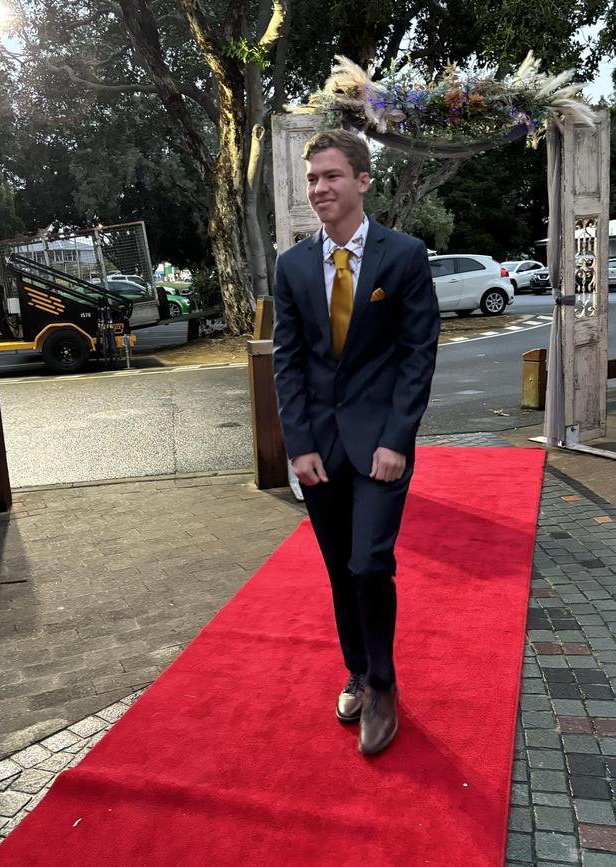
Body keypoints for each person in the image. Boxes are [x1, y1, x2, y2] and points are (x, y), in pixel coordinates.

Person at [272, 129, 440, 755]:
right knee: (340, 570)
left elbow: (417, 356)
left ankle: (384, 686)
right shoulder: (291, 266)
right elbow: (288, 363)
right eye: (313, 178)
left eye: (331, 176)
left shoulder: (403, 257)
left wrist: (399, 438)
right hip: (319, 447)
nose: (319, 189)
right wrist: (298, 445)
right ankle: (357, 668)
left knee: (371, 563)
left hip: (380, 448)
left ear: (364, 181)